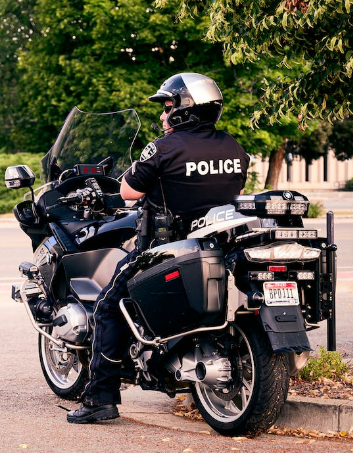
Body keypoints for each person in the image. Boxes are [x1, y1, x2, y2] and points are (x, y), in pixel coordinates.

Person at [66, 72, 251, 424]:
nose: (163, 116)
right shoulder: (233, 146)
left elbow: (129, 193)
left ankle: (100, 398)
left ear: (184, 110)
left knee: (108, 306)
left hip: (167, 247)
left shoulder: (163, 147)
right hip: (219, 244)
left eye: (167, 108)